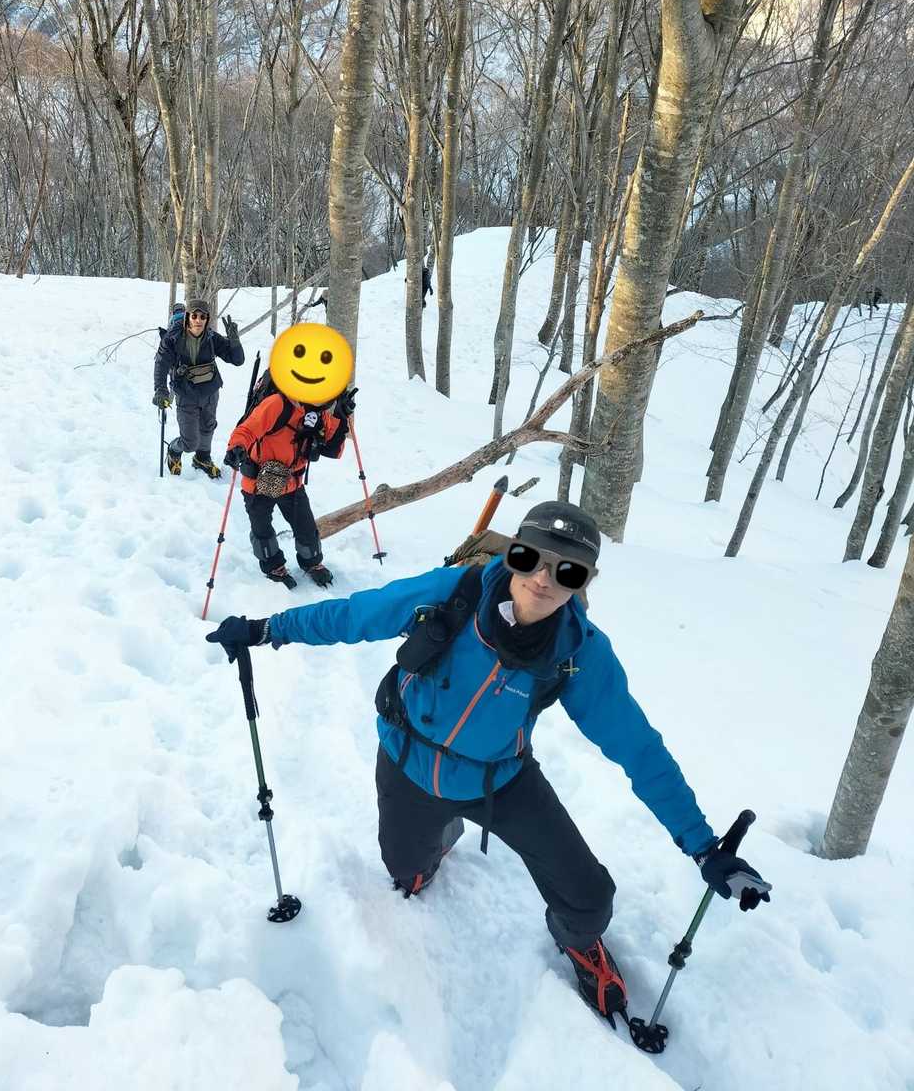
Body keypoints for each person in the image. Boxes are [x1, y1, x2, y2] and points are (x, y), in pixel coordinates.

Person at [206, 500, 771, 1027]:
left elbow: (638, 747)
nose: (543, 578)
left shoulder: (578, 653)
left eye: (568, 571)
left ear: (585, 582)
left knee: (590, 896)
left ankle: (578, 942)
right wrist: (268, 629)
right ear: (512, 551)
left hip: (499, 780)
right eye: (531, 558)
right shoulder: (456, 594)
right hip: (408, 761)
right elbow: (357, 615)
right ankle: (439, 837)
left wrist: (703, 846)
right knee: (403, 870)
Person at [222, 380, 357, 589]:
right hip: (259, 481)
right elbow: (247, 429)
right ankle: (273, 567)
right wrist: (236, 447)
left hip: (292, 482)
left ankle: (312, 563)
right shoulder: (277, 403)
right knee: (262, 528)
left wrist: (341, 414)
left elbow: (333, 450)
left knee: (306, 527)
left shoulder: (319, 414)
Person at [153, 300, 244, 478]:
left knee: (208, 428)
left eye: (202, 317)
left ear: (207, 319)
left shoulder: (211, 337)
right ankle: (174, 449)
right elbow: (161, 364)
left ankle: (202, 459)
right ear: (187, 317)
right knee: (190, 442)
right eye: (194, 316)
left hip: (210, 391)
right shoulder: (172, 338)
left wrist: (234, 341)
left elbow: (237, 360)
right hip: (186, 393)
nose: (198, 320)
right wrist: (161, 390)